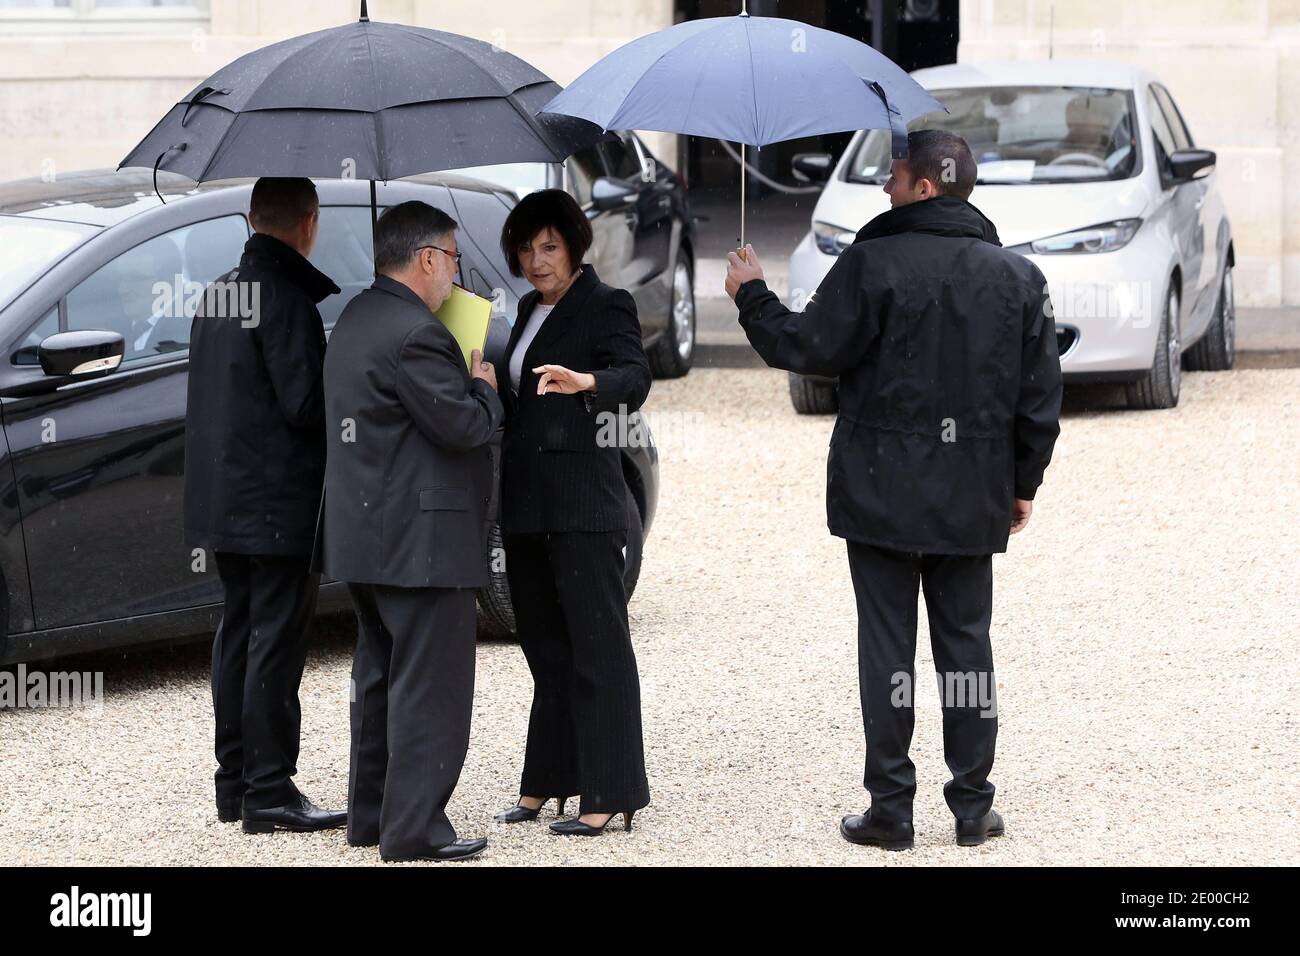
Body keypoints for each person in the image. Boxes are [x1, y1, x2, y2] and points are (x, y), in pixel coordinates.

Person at [725, 130, 1063, 850]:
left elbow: (809, 349)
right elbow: (1038, 398)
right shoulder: (1016, 277)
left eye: (894, 174)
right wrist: (1022, 481)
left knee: (887, 649)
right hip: (972, 490)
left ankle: (892, 808)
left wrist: (752, 294)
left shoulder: (872, 262)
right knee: (966, 647)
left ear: (926, 186)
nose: (883, 184)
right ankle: (972, 807)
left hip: (880, 490)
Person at [318, 201, 503, 863]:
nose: (456, 273)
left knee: (378, 683)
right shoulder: (418, 334)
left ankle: (373, 815)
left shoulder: (356, 319)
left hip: (365, 539)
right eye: (454, 258)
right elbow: (462, 427)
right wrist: (482, 383)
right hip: (422, 546)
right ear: (428, 258)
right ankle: (416, 828)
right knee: (430, 689)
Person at [183, 176, 346, 834]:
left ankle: (236, 785)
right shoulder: (285, 300)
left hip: (224, 503)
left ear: (251, 221)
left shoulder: (219, 294)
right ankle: (271, 790)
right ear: (309, 222)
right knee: (274, 645)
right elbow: (305, 405)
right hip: (276, 504)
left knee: (238, 637)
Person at [493, 189, 652, 837]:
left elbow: (634, 378)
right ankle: (550, 779)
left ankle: (613, 790)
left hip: (585, 509)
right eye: (527, 248)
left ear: (575, 246)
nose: (537, 260)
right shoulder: (528, 309)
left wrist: (589, 383)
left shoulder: (607, 304)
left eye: (549, 246)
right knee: (546, 651)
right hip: (528, 509)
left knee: (598, 650)